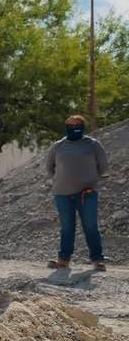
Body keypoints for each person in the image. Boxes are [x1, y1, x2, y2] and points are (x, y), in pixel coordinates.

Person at [46, 114, 109, 272]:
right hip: (62, 193)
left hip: (87, 193)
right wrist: (61, 179)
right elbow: (49, 167)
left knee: (90, 226)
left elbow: (103, 166)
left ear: (83, 127)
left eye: (77, 125)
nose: (73, 128)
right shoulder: (58, 146)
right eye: (70, 125)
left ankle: (97, 260)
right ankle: (63, 260)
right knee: (67, 227)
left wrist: (91, 180)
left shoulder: (92, 144)